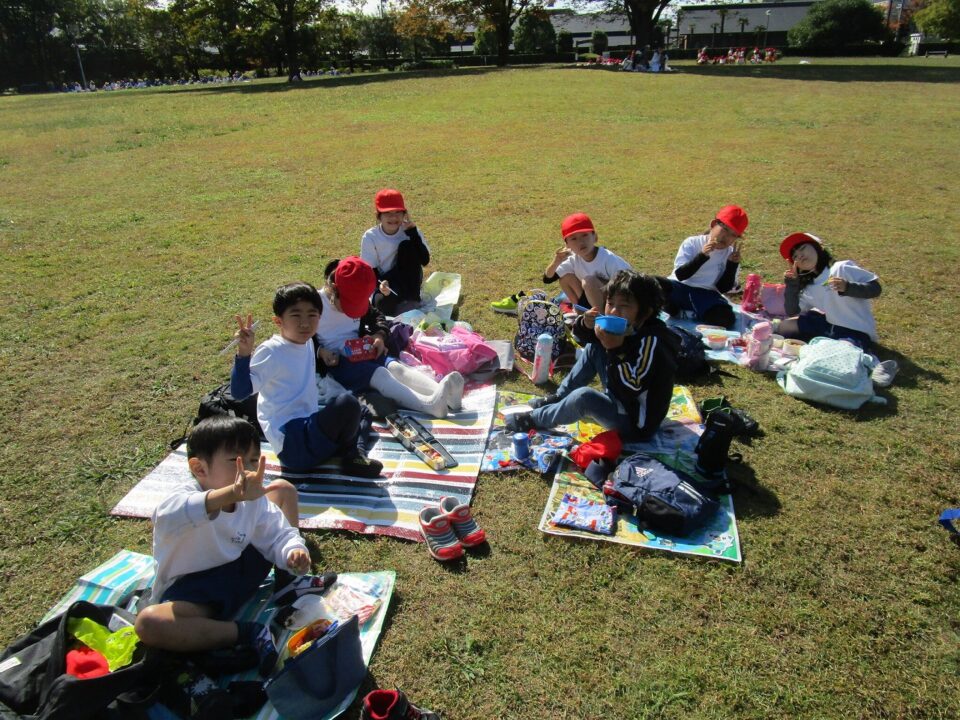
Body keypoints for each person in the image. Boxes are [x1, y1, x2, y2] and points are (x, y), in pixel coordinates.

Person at [134, 416, 337, 676]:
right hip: (197, 594)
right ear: (199, 468)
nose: (249, 470)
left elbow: (277, 531)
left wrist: (292, 552)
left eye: (253, 460)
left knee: (282, 490)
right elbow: (169, 515)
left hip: (242, 572)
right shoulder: (181, 498)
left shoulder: (252, 500)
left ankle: (287, 582)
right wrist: (231, 494)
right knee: (149, 623)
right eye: (236, 462)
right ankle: (248, 632)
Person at [230, 281, 383, 477]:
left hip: (309, 427)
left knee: (361, 411)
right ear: (278, 321)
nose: (305, 323)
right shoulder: (272, 351)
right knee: (348, 404)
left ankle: (352, 454)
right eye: (296, 315)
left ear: (320, 317)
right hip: (293, 444)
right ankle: (350, 453)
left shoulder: (308, 342)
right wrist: (244, 353)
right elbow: (239, 392)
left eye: (312, 315)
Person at [507, 271, 679, 442]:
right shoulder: (629, 326)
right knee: (596, 345)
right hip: (619, 395)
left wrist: (614, 349)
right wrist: (585, 324)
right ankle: (561, 396)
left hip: (635, 424)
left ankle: (534, 419)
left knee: (584, 398)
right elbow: (586, 339)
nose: (613, 311)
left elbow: (632, 387)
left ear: (645, 312)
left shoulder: (653, 342)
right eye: (610, 303)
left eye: (624, 306)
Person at [317, 257, 464, 418]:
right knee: (381, 374)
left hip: (362, 350)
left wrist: (379, 335)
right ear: (333, 289)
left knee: (397, 368)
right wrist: (320, 352)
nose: (353, 311)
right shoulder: (315, 305)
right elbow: (301, 340)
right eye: (350, 306)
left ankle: (447, 396)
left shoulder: (356, 294)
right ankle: (429, 405)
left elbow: (377, 316)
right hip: (337, 364)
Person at [776, 232, 884, 352]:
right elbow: (792, 311)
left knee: (841, 351)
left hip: (854, 329)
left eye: (802, 248)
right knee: (784, 326)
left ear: (818, 247)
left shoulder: (840, 268)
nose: (800, 255)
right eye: (795, 256)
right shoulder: (809, 286)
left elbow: (875, 289)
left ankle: (835, 347)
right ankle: (823, 344)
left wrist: (848, 287)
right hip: (828, 325)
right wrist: (792, 284)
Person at [659, 204, 748, 329]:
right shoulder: (692, 242)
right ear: (713, 224)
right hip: (679, 287)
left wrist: (732, 265)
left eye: (733, 235)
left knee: (727, 318)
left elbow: (722, 288)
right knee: (654, 284)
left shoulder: (731, 255)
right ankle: (676, 310)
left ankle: (688, 314)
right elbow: (680, 275)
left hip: (706, 295)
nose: (726, 237)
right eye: (725, 230)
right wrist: (702, 255)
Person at [360, 189, 430, 316]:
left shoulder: (410, 231)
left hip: (408, 281)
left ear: (404, 214)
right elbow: (370, 271)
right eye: (387, 213)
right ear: (378, 216)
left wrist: (413, 233)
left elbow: (425, 260)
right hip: (386, 282)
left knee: (406, 246)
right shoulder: (370, 237)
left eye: (397, 212)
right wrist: (382, 285)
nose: (393, 217)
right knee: (383, 304)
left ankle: (411, 299)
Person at [542, 212, 632, 311]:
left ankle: (601, 318)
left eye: (584, 235)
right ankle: (580, 311)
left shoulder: (608, 258)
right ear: (567, 245)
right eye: (574, 239)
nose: (580, 242)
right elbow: (548, 279)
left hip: (615, 302)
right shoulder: (573, 259)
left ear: (595, 237)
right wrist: (556, 262)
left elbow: (629, 286)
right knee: (564, 277)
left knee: (589, 282)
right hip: (591, 299)